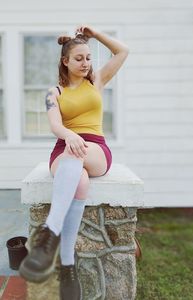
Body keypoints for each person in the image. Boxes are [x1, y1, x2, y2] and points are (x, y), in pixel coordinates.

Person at [19, 25, 129, 300]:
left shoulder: (98, 81)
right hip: (64, 149)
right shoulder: (53, 92)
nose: (85, 63)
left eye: (89, 57)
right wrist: (70, 136)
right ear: (65, 61)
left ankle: (49, 233)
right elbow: (56, 126)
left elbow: (122, 51)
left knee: (79, 157)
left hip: (96, 150)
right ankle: (68, 265)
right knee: (78, 180)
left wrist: (95, 34)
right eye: (79, 58)